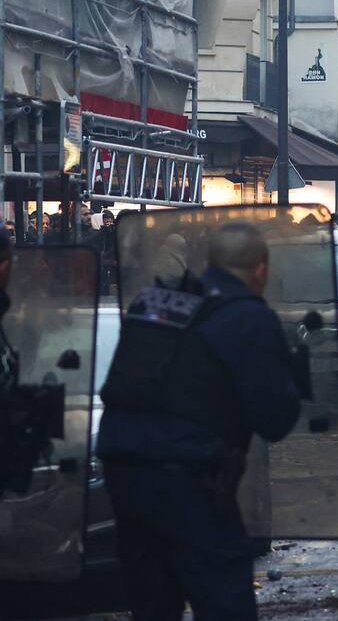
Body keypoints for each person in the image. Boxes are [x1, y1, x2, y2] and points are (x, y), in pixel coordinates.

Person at [97, 222, 302, 620]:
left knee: (152, 605)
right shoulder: (248, 316)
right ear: (261, 269)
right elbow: (274, 420)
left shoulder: (157, 303)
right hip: (191, 481)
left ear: (210, 263)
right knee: (224, 601)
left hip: (125, 475)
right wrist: (290, 377)